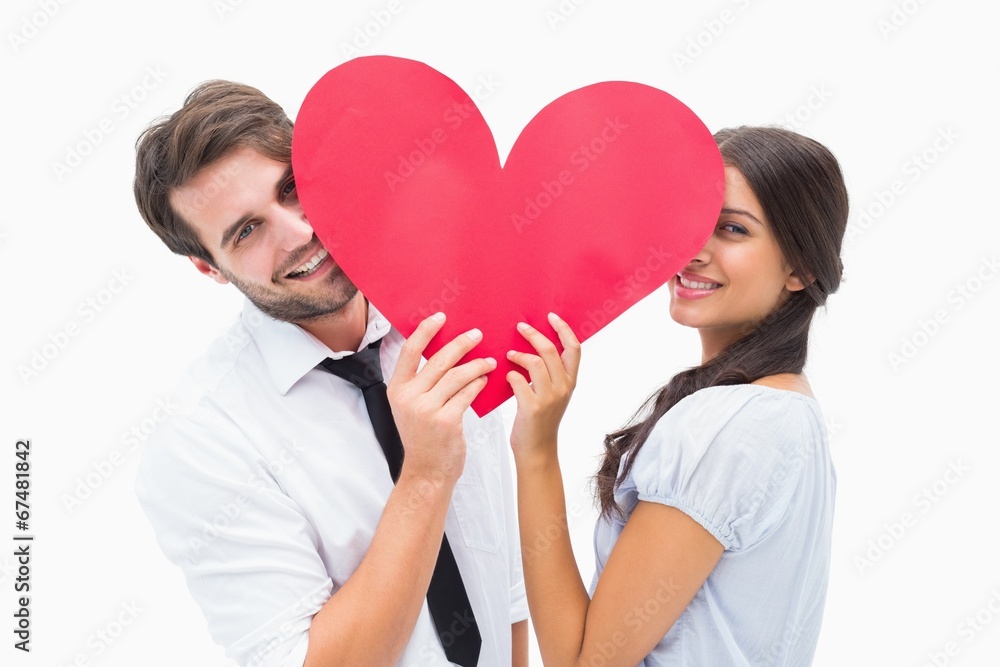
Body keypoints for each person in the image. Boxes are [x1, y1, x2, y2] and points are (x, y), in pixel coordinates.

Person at [131, 80, 528, 667]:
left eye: (292, 190)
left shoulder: (445, 319)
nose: (298, 233)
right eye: (246, 230)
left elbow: (504, 580)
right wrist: (424, 475)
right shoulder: (200, 442)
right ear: (207, 267)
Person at [503, 126, 847, 665]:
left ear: (800, 269)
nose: (696, 250)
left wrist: (537, 449)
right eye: (690, 222)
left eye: (732, 229)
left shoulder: (728, 426)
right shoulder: (788, 410)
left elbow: (582, 663)